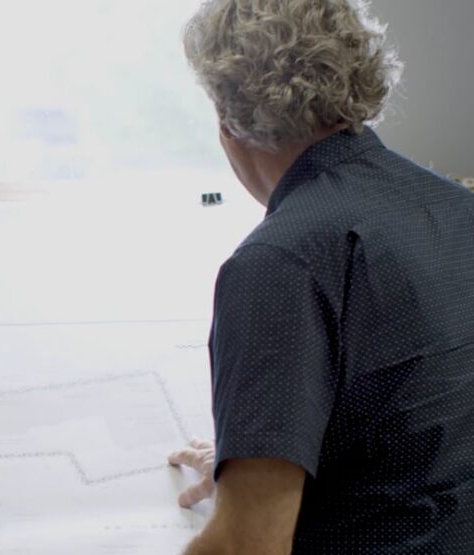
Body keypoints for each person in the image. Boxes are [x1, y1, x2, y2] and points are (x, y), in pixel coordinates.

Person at [166, 0, 474, 552]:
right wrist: (255, 471)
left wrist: (249, 509)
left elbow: (247, 546)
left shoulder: (279, 264)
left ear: (226, 119)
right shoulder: (457, 209)